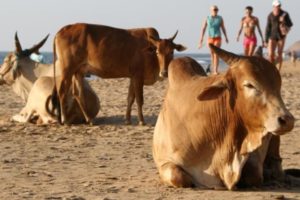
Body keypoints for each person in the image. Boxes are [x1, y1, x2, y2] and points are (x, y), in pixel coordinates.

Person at [198, 5, 229, 75]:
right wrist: (201, 39)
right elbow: (203, 28)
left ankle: (215, 70)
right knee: (212, 54)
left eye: (217, 9)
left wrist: (226, 37)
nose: (216, 11)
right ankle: (213, 68)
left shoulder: (220, 18)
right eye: (214, 9)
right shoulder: (207, 18)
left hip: (218, 37)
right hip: (210, 38)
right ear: (211, 10)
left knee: (216, 53)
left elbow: (223, 28)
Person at [265, 0, 293, 71]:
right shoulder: (270, 15)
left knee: (280, 53)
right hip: (272, 35)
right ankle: (271, 69)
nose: (278, 7)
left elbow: (290, 24)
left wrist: (283, 21)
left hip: (281, 36)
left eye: (279, 6)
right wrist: (265, 40)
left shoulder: (285, 14)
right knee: (270, 54)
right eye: (276, 6)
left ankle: (278, 70)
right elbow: (268, 28)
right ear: (273, 6)